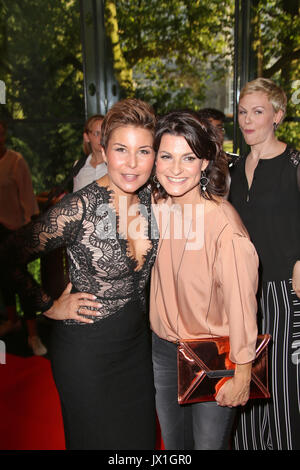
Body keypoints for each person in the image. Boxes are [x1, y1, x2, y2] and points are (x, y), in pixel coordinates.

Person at [0, 98, 158, 450]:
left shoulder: (153, 198)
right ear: (102, 149)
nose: (132, 163)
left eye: (143, 151)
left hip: (136, 350)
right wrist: (48, 306)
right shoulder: (78, 208)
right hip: (87, 354)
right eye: (121, 149)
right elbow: (8, 253)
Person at [149, 110, 259, 450]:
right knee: (175, 445)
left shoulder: (223, 224)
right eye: (166, 156)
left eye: (188, 157)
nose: (176, 168)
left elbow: (241, 303)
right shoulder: (154, 208)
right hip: (163, 351)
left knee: (208, 446)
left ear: (203, 163)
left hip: (213, 356)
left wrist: (242, 372)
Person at [229, 77, 300, 450]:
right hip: (243, 293)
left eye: (257, 111)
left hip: (285, 293)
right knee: (249, 381)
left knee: (285, 386)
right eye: (242, 112)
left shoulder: (295, 163)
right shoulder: (235, 170)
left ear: (278, 115)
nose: (247, 120)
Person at [0, 119, 47, 356]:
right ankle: (12, 320)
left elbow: (28, 199)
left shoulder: (15, 162)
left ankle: (33, 334)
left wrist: (29, 230)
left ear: (4, 134)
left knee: (21, 280)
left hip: (16, 230)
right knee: (4, 279)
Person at [73, 114, 107, 192]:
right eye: (97, 133)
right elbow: (75, 198)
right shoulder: (79, 165)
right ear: (87, 137)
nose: (101, 138)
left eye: (104, 133)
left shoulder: (116, 165)